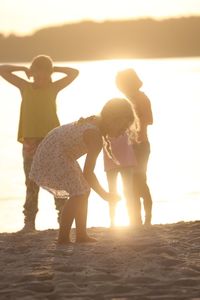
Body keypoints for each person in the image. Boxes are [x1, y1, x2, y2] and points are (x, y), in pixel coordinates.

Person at [29, 98, 136, 244]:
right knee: (79, 193)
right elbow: (88, 173)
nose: (122, 133)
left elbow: (86, 176)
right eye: (122, 128)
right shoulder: (95, 135)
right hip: (54, 154)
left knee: (83, 191)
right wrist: (105, 195)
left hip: (60, 152)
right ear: (112, 119)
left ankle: (81, 235)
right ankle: (63, 237)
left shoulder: (95, 123)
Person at [0, 55, 79, 231]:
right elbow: (2, 69)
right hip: (30, 141)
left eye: (44, 75)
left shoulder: (54, 88)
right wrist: (24, 69)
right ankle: (29, 222)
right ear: (32, 73)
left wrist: (54, 69)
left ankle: (62, 219)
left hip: (51, 141)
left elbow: (74, 72)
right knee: (31, 181)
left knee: (57, 179)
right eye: (37, 75)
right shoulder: (24, 87)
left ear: (49, 75)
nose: (40, 79)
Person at [116, 68, 153, 226]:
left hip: (140, 145)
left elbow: (149, 119)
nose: (119, 86)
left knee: (140, 182)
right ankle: (134, 219)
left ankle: (147, 218)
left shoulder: (141, 98)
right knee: (129, 184)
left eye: (121, 83)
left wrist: (133, 123)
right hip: (128, 146)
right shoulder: (125, 99)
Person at [103, 132, 138, 227]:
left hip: (122, 154)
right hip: (113, 154)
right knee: (121, 191)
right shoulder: (104, 118)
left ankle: (124, 221)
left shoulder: (104, 118)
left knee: (123, 191)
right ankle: (115, 221)